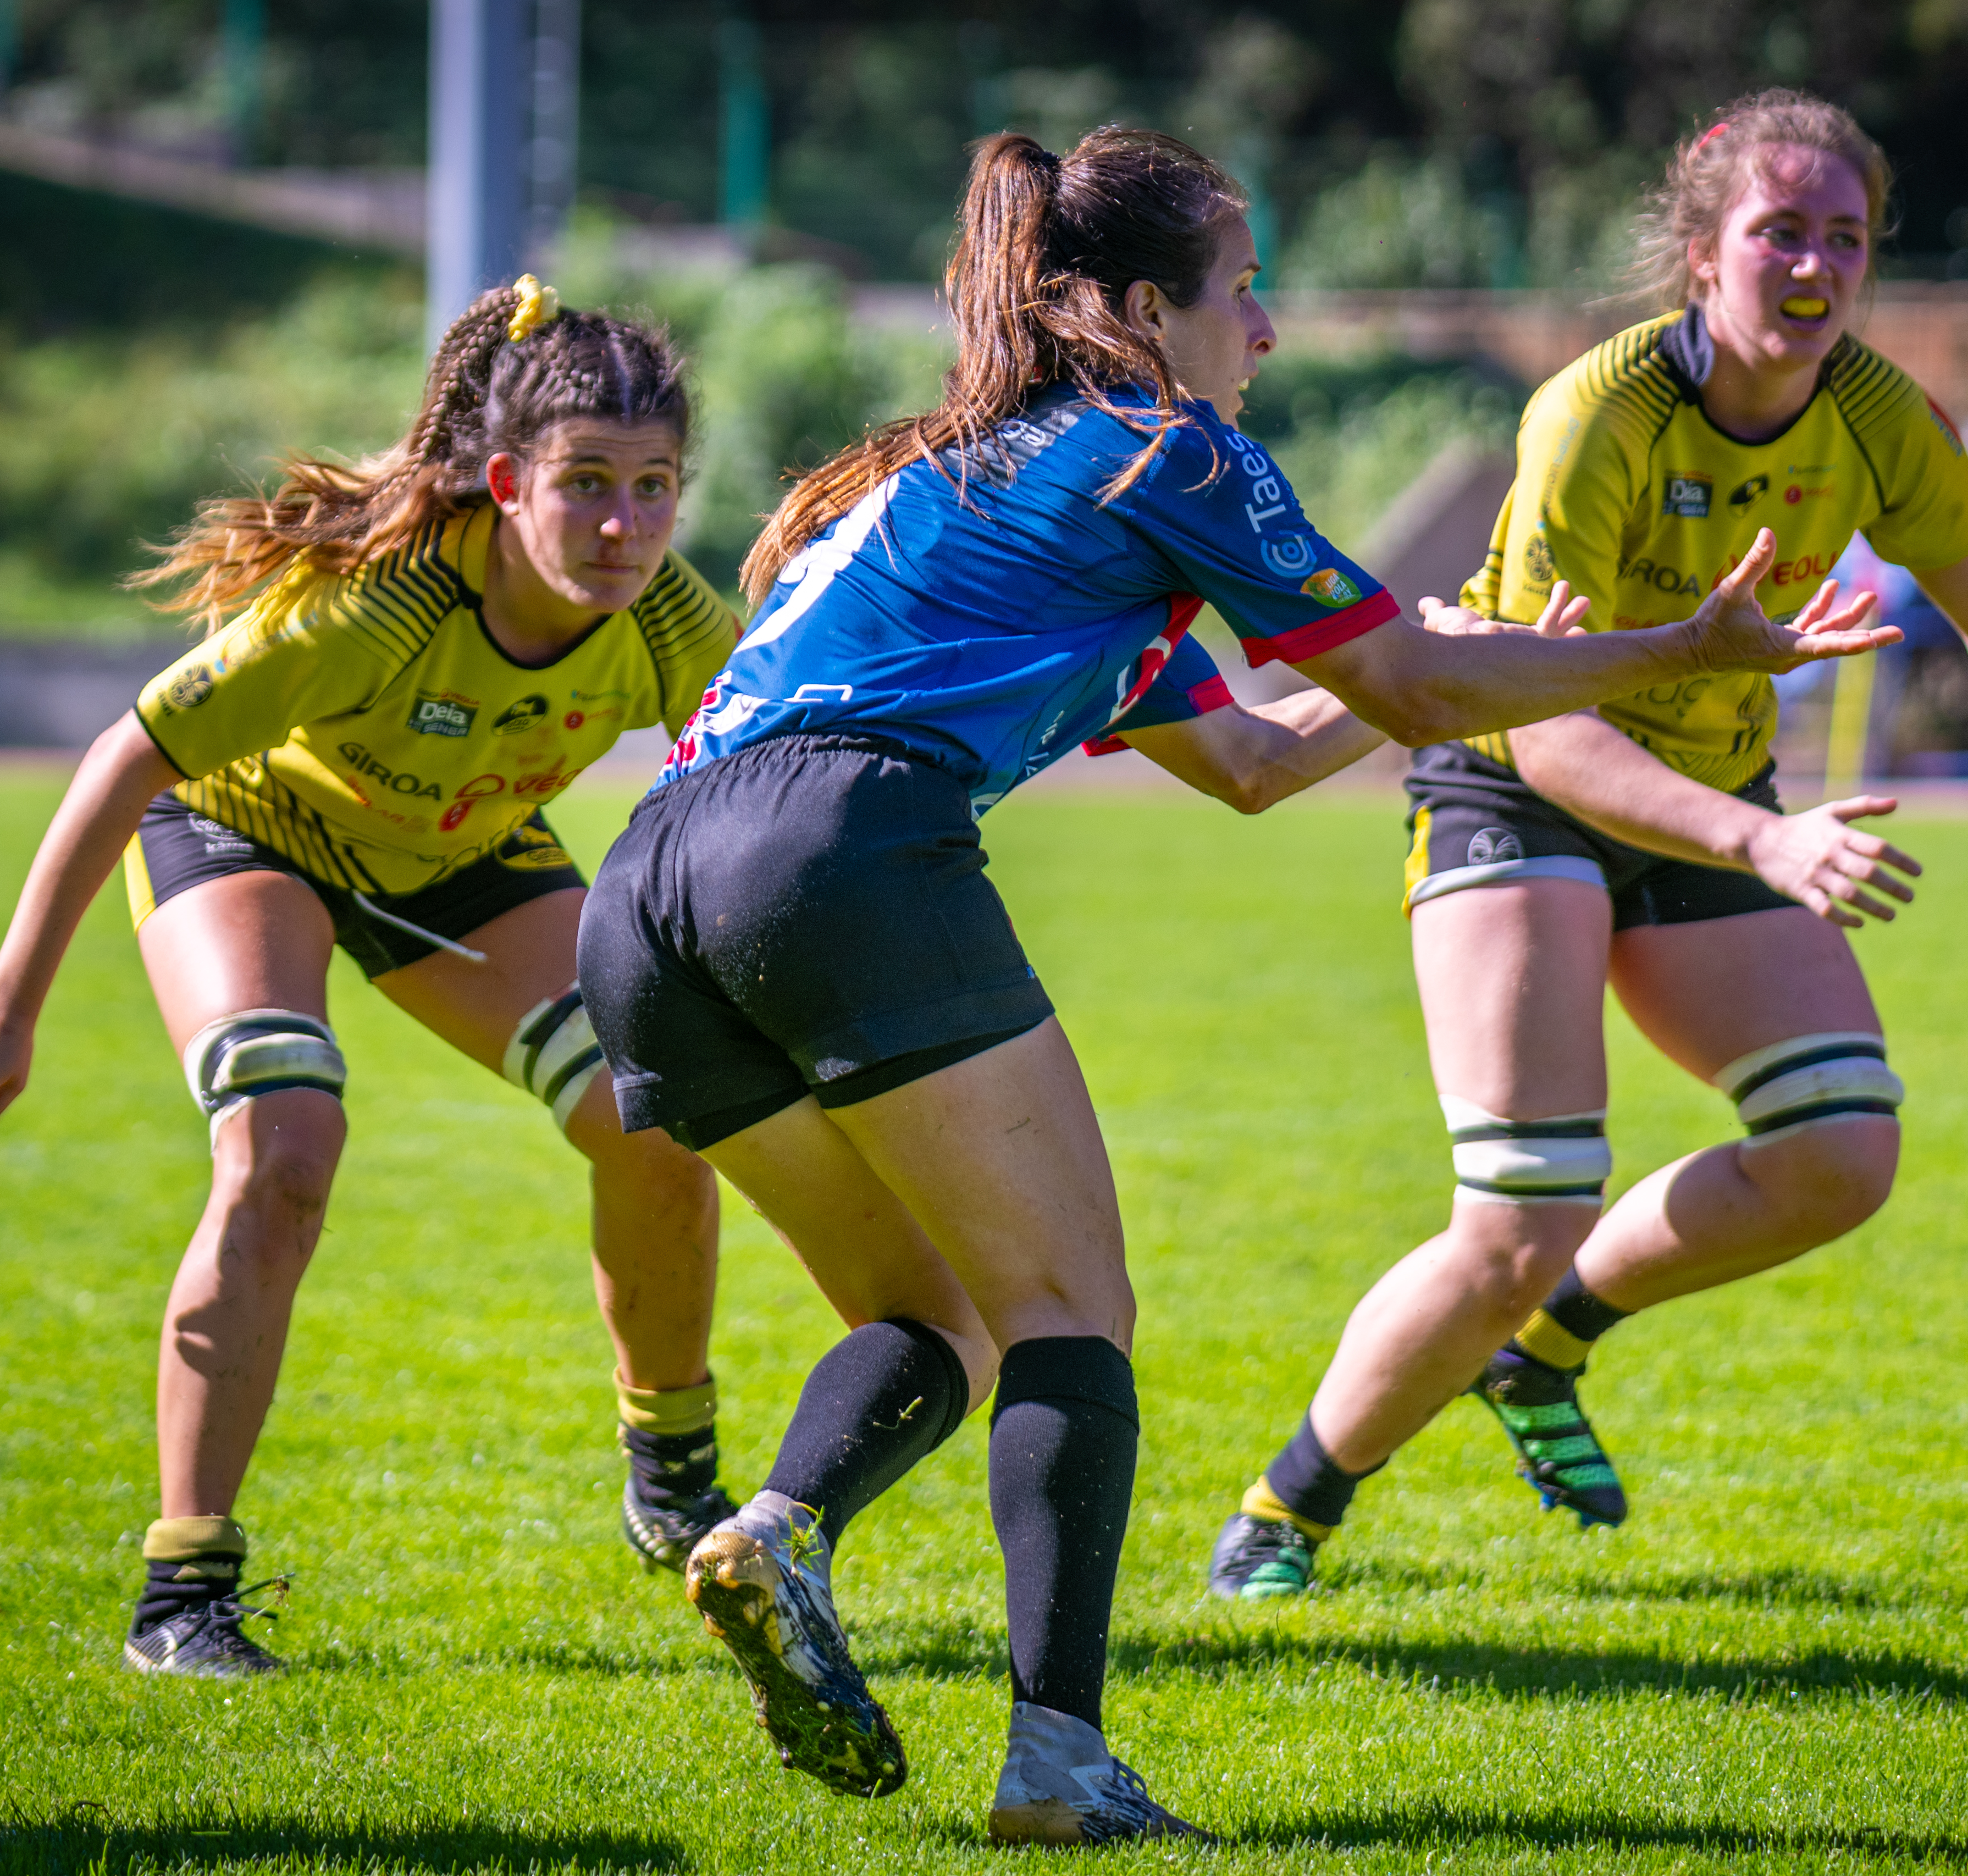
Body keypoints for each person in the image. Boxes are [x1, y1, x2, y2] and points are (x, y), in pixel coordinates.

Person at [573, 126, 1895, 1845]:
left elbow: (1265, 758)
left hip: (652, 889)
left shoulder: (959, 475)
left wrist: (1471, 653)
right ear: (1140, 310)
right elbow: (1412, 684)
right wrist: (1672, 649)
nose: (1262, 329)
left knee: (946, 1314)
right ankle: (1057, 1760)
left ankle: (778, 1529)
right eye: (1242, 287)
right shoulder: (1161, 448)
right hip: (838, 851)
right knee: (1072, 1312)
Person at [1207, 90, 1968, 1601]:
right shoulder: (1596, 413)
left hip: (1710, 793)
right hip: (1519, 785)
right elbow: (1548, 725)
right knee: (1522, 1209)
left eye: (1846, 238)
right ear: (1700, 253)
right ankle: (1286, 1507)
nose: (1814, 266)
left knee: (1839, 1151)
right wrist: (1767, 839)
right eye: (1778, 233)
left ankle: (1547, 1351)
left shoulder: (1883, 416)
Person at [0, 278, 748, 1676]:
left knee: (655, 1114)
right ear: (506, 483)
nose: (622, 526)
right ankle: (185, 1593)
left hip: (459, 852)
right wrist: (8, 1004)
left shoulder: (669, 621)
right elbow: (126, 760)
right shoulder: (375, 611)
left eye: (654, 487)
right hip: (245, 832)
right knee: (283, 1143)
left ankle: (670, 1476)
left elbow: (766, 776)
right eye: (585, 485)